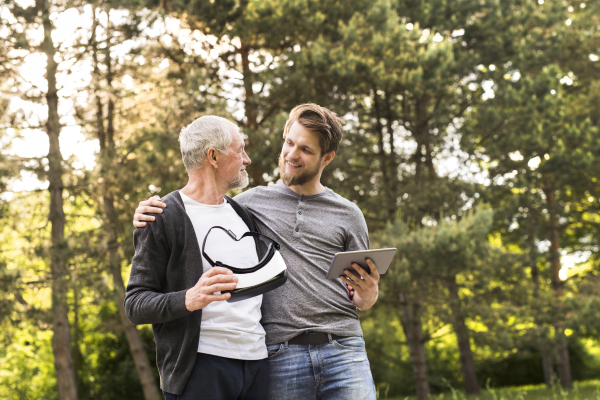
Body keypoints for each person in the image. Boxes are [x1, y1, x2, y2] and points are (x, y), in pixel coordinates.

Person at [133, 104, 380, 399]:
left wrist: (369, 295)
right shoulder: (249, 205)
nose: (291, 154)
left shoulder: (343, 213)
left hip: (316, 353)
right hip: (267, 355)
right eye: (289, 142)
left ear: (327, 158)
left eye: (305, 149)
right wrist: (147, 212)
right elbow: (198, 196)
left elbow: (360, 295)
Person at [125, 116, 270, 400]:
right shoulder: (162, 216)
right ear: (213, 156)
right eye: (239, 150)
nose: (247, 159)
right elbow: (135, 304)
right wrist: (189, 298)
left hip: (256, 363)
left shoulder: (242, 214)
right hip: (200, 367)